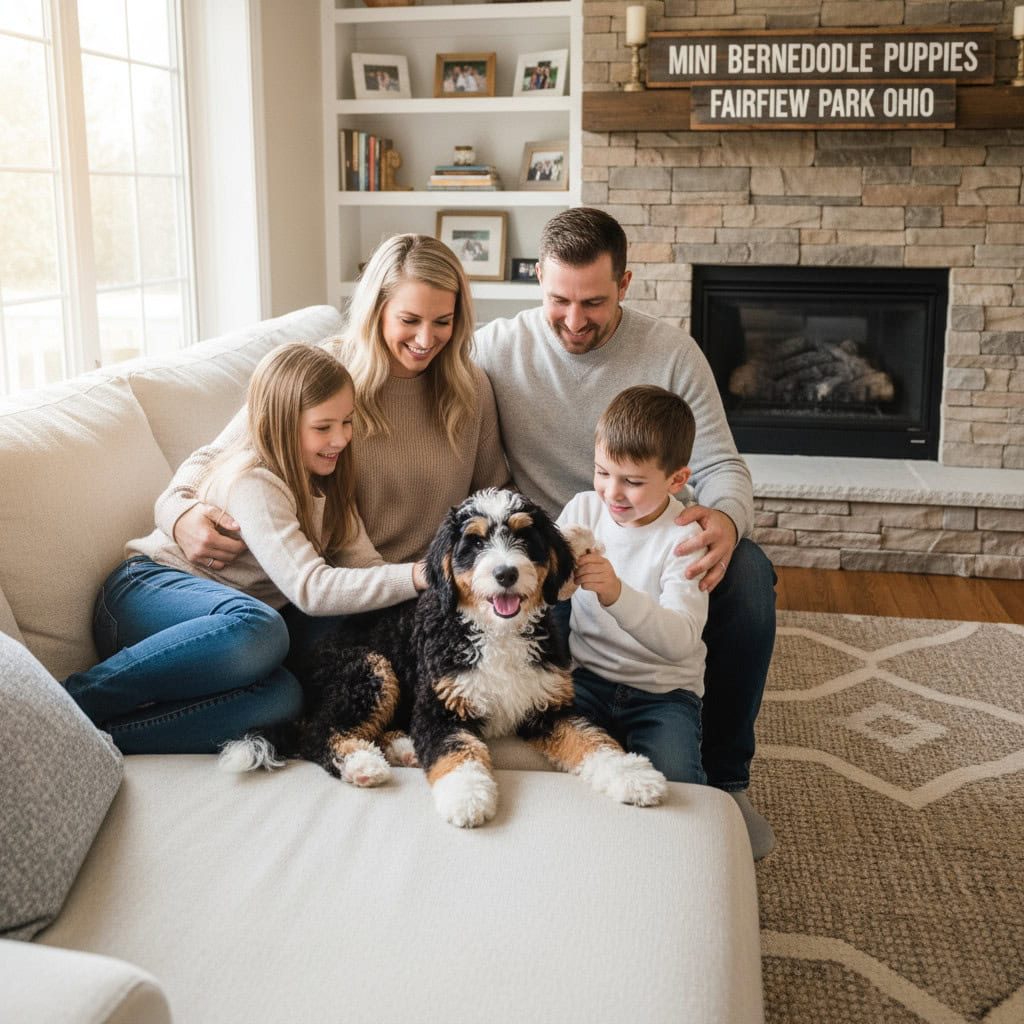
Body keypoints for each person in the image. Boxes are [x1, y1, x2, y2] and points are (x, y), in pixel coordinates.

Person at [472, 207, 777, 859]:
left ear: (626, 284)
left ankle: (727, 780)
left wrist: (725, 520)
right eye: (559, 301)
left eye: (594, 302)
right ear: (538, 280)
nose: (574, 320)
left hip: (655, 539)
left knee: (750, 573)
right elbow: (377, 363)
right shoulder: (496, 348)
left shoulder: (670, 352)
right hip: (559, 556)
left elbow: (722, 465)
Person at [64, 343, 426, 754]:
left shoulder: (330, 481)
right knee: (263, 630)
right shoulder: (254, 481)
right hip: (144, 596)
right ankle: (69, 699)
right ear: (280, 425)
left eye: (347, 421)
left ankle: (93, 740)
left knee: (283, 700)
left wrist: (433, 599)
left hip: (225, 638)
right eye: (323, 427)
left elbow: (365, 567)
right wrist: (419, 573)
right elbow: (311, 588)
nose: (341, 438)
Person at [158, 233, 509, 582]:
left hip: (430, 583)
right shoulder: (327, 372)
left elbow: (495, 495)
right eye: (409, 320)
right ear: (377, 310)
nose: (425, 339)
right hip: (342, 585)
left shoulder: (470, 387)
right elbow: (217, 456)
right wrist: (177, 514)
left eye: (442, 321)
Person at [557, 386, 708, 785]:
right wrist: (556, 571)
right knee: (553, 758)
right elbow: (546, 592)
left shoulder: (684, 539)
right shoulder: (583, 510)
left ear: (677, 479)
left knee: (677, 782)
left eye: (633, 481)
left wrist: (616, 594)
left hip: (662, 695)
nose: (612, 492)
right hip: (587, 679)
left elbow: (680, 641)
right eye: (603, 472)